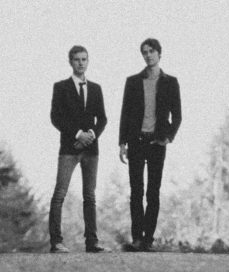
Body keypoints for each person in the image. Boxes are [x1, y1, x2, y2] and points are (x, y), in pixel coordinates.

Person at [117, 38, 181, 252]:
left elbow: (178, 116)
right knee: (136, 191)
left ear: (159, 53)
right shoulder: (133, 81)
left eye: (151, 51)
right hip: (136, 141)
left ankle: (148, 239)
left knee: (153, 192)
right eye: (144, 52)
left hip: (156, 143)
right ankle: (136, 238)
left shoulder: (170, 82)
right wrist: (122, 143)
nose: (148, 55)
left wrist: (167, 137)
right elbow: (125, 113)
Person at [49, 45, 110, 253]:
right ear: (70, 61)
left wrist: (91, 134)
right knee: (60, 193)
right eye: (77, 59)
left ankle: (92, 242)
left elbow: (102, 118)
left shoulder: (96, 88)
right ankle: (56, 242)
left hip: (91, 149)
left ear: (88, 61)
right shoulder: (60, 87)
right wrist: (77, 134)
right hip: (69, 147)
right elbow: (56, 117)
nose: (81, 63)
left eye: (84, 59)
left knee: (90, 196)